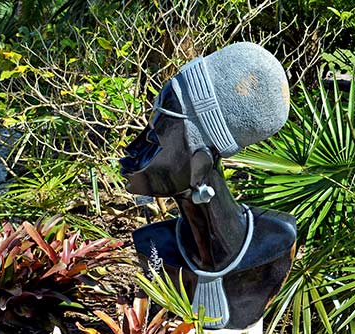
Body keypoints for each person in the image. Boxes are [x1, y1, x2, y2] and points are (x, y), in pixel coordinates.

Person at [120, 42, 296, 330]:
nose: (133, 148)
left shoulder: (276, 241)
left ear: (199, 165)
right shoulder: (153, 245)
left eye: (155, 136)